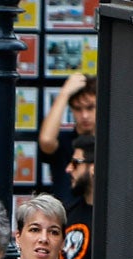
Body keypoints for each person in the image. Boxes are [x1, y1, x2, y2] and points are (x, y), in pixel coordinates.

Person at [38, 73, 96, 208]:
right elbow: (46, 140)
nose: (85, 115)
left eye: (90, 107)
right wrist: (64, 94)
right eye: (78, 109)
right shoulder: (65, 141)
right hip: (66, 218)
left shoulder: (111, 143)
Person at [59, 135, 94, 259]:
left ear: (93, 167)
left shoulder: (113, 219)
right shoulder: (68, 212)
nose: (68, 169)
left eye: (75, 163)